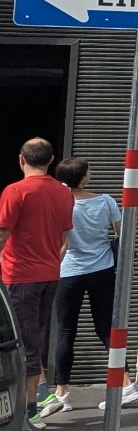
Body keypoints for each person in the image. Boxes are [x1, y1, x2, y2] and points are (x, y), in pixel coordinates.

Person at [38, 157, 138, 419]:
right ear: (83, 178)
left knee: (66, 332)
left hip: (69, 272)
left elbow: (56, 240)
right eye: (88, 171)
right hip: (102, 270)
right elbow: (123, 234)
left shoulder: (60, 203)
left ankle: (62, 394)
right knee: (106, 328)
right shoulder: (105, 201)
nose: (91, 172)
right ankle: (127, 384)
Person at [6, 139, 74, 421]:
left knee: (23, 344)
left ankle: (30, 413)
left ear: (21, 159)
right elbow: (63, 240)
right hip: (49, 275)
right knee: (34, 338)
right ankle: (40, 397)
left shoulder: (15, 191)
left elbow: (2, 234)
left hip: (19, 276)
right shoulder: (64, 194)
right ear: (52, 160)